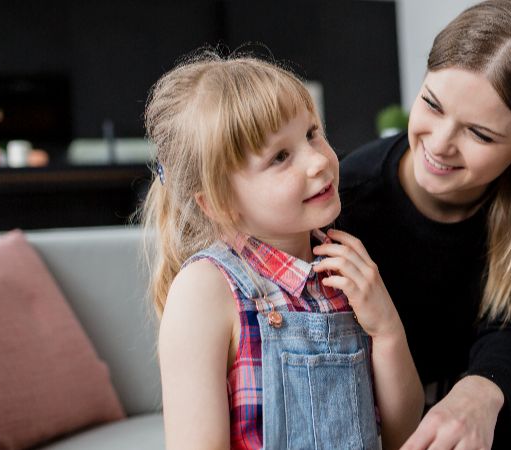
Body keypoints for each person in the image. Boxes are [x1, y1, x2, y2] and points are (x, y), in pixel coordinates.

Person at [337, 0, 511, 448]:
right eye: (432, 105)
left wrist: (482, 390)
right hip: (369, 386)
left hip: (472, 378)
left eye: (479, 134)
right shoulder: (349, 199)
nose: (439, 145)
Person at [141, 52, 424, 449]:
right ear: (220, 203)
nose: (318, 161)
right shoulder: (205, 290)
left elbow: (404, 435)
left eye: (311, 133)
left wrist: (387, 330)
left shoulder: (345, 267)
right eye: (280, 156)